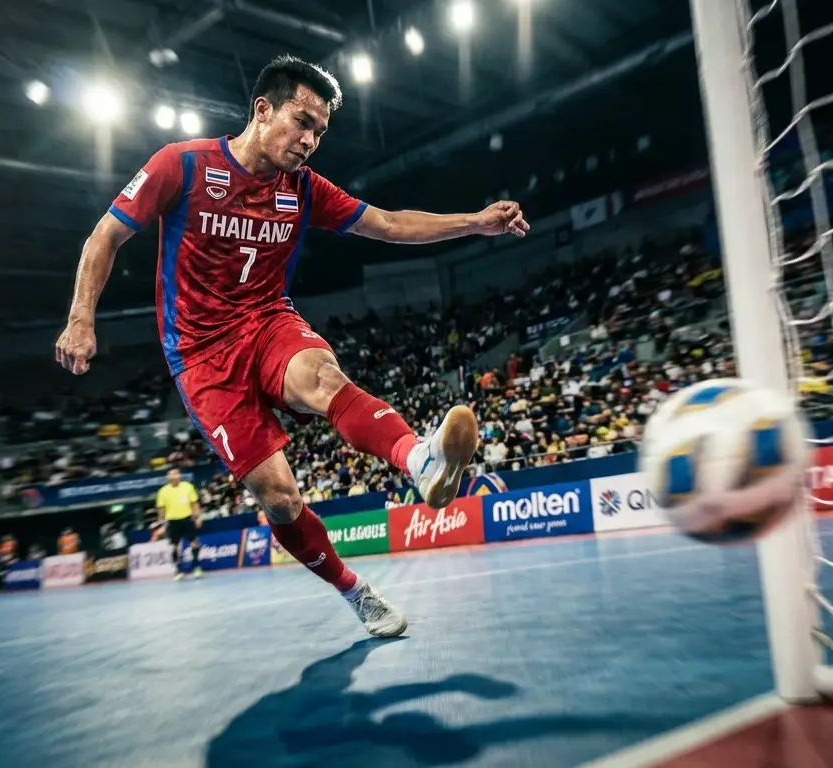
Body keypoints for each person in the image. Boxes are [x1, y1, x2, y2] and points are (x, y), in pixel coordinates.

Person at [55, 54, 530, 637]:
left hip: (267, 320)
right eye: (302, 122)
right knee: (280, 498)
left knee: (323, 378)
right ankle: (354, 590)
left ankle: (419, 460)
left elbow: (386, 222)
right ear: (263, 109)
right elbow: (106, 235)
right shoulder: (180, 165)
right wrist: (81, 317)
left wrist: (474, 223)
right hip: (201, 354)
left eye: (320, 132)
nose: (309, 140)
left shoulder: (302, 189)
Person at [156, 468, 202, 580]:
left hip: (187, 519)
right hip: (172, 522)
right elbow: (161, 509)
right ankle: (178, 570)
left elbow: (194, 504)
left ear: (180, 476)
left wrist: (197, 518)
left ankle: (196, 567)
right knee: (174, 547)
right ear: (168, 477)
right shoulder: (163, 491)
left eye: (176, 474)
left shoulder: (188, 487)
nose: (174, 476)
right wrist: (161, 524)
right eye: (171, 475)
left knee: (194, 543)